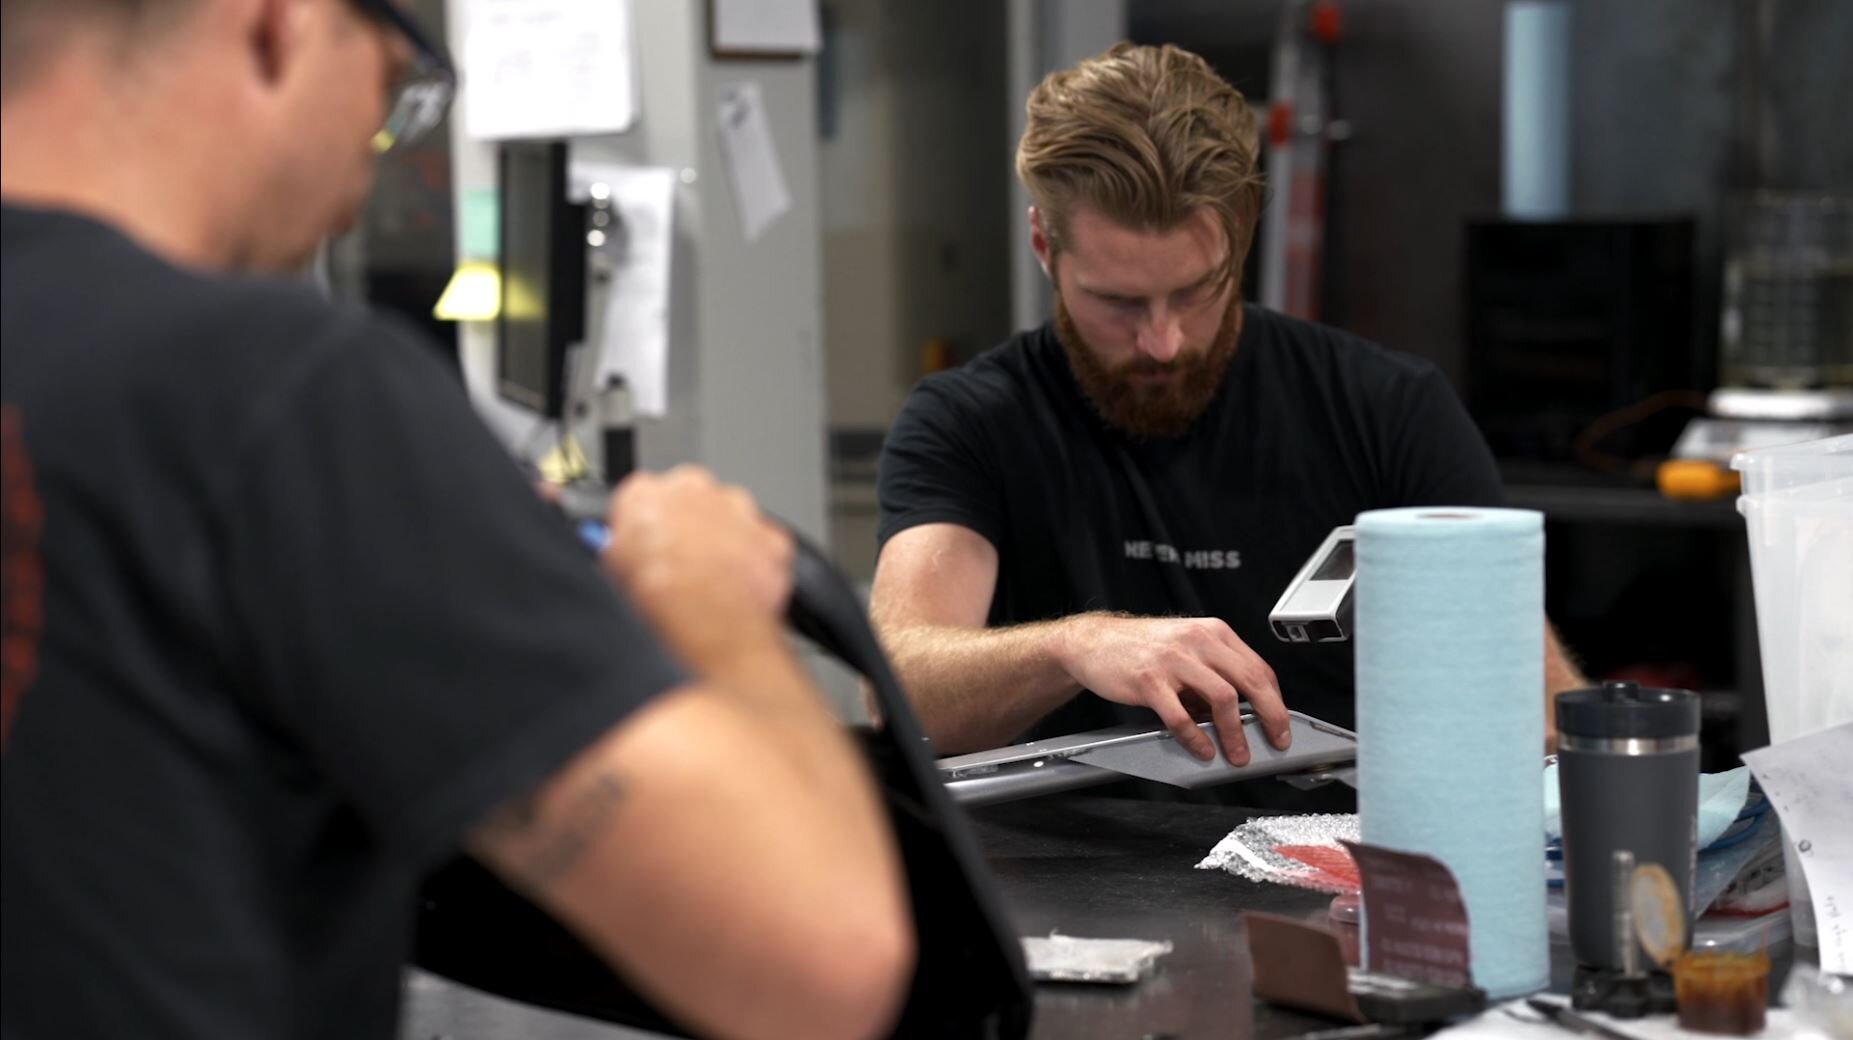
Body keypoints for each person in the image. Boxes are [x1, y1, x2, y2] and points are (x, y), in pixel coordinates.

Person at [0, 2, 912, 1038]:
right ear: (276, 28)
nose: (361, 185)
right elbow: (822, 962)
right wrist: (711, 602)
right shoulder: (280, 387)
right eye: (388, 91)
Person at [871, 43, 1585, 773]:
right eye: (1117, 302)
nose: (1161, 341)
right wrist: (1073, 646)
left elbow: (1533, 703)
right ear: (1042, 247)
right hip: (1066, 870)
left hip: (1335, 861)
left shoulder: (1385, 408)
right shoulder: (969, 421)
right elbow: (897, 686)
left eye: (1194, 291)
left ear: (1239, 246)